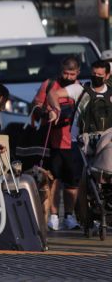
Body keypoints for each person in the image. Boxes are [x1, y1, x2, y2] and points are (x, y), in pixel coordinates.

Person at [47, 59, 112, 230]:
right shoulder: (80, 89)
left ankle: (102, 208)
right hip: (82, 141)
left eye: (100, 75)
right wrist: (56, 109)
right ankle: (81, 213)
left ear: (107, 76)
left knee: (104, 174)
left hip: (106, 141)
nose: (96, 77)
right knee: (77, 179)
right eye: (93, 74)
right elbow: (53, 94)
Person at [30, 56, 80, 231]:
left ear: (78, 73)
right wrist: (47, 112)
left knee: (72, 182)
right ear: (61, 71)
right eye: (65, 73)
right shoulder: (50, 85)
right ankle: (53, 215)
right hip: (52, 139)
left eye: (72, 74)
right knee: (53, 180)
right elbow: (35, 107)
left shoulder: (79, 88)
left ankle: (69, 215)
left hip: (73, 141)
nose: (68, 77)